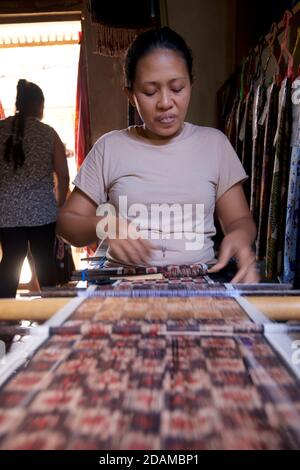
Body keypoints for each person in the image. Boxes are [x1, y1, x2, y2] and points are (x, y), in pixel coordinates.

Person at [57, 27, 259, 283]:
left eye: (177, 88)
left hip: (199, 284)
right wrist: (105, 224)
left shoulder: (214, 144)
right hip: (125, 286)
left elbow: (239, 219)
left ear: (191, 85)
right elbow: (66, 223)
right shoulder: (110, 147)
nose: (165, 102)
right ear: (130, 95)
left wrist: (240, 236)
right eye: (150, 92)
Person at [0, 79, 69, 297]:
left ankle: (3, 320)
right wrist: (59, 206)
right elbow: (64, 175)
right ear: (39, 105)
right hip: (43, 214)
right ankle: (50, 317)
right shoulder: (48, 133)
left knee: (11, 261)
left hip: (7, 214)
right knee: (45, 263)